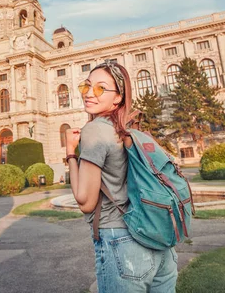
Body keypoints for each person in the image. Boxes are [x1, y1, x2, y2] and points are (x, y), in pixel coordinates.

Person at [65, 61, 178, 293]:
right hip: (159, 243)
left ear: (118, 98)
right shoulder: (128, 128)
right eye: (86, 86)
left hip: (122, 243)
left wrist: (70, 153)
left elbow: (85, 201)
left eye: (100, 88)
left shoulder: (95, 130)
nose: (89, 94)